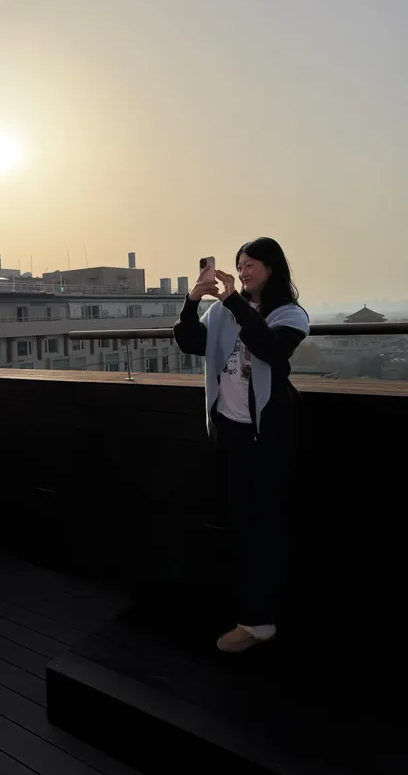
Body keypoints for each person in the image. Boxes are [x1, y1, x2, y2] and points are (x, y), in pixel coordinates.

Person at [174, 237, 309, 653]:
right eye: (239, 263)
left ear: (272, 268)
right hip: (231, 430)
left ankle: (260, 622)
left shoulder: (291, 314)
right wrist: (192, 302)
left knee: (263, 527)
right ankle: (251, 613)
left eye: (252, 263)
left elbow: (270, 348)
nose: (244, 269)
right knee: (241, 524)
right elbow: (191, 342)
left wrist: (233, 302)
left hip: (267, 435)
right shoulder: (220, 312)